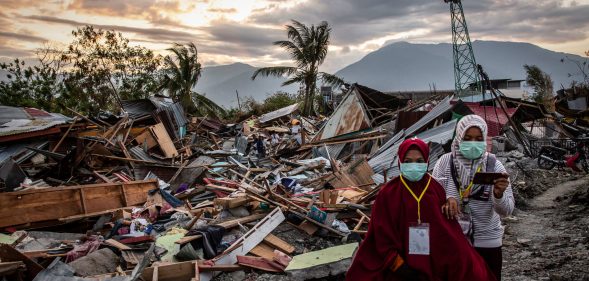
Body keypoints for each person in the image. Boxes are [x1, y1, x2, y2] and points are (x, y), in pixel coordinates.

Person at [347, 137, 496, 281]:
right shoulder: (388, 193)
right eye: (408, 161)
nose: (413, 165)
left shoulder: (435, 188)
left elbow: (444, 232)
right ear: (400, 162)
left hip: (433, 260)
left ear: (426, 161)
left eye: (419, 161)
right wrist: (400, 267)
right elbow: (381, 237)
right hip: (399, 262)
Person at [432, 114, 514, 281]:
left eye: (478, 139)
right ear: (458, 137)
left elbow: (507, 210)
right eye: (467, 138)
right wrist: (446, 199)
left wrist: (498, 195)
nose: (473, 143)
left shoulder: (494, 165)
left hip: (488, 243)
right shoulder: (444, 163)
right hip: (454, 242)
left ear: (485, 139)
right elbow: (432, 204)